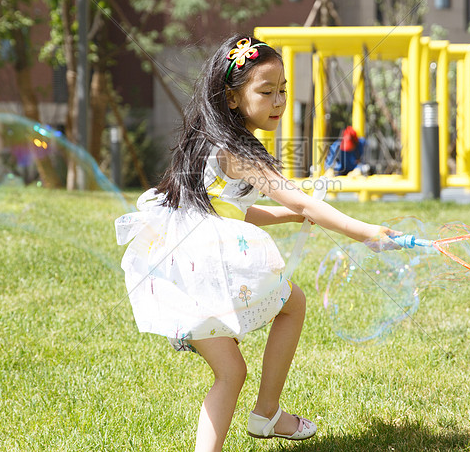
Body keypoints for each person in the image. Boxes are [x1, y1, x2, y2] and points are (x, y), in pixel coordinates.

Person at [115, 35, 402, 452]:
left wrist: (295, 212)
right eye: (266, 91)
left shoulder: (208, 139)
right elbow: (296, 197)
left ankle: (265, 416)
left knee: (231, 371)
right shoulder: (238, 150)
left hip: (178, 270)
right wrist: (366, 232)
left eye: (283, 90)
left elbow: (232, 213)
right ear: (231, 98)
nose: (278, 100)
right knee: (291, 306)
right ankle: (267, 413)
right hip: (198, 268)